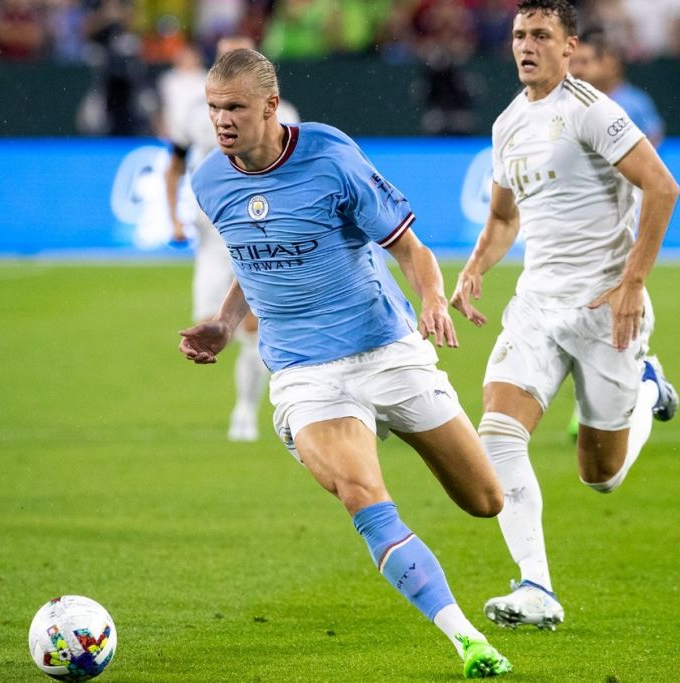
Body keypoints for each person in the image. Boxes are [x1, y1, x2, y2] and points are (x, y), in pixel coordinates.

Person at [177, 48, 513, 678]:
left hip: (387, 348)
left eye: (235, 109)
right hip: (306, 374)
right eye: (214, 108)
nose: (221, 122)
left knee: (486, 500)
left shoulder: (331, 157)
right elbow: (253, 261)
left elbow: (409, 248)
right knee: (362, 492)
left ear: (271, 107)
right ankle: (467, 639)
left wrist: (434, 297)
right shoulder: (209, 181)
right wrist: (223, 326)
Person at [450, 0, 680, 631]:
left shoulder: (593, 112)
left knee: (598, 476)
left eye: (541, 35)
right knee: (496, 434)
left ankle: (647, 385)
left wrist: (633, 282)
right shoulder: (506, 124)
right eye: (520, 35)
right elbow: (502, 218)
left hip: (604, 309)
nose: (526, 45)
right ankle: (536, 587)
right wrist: (474, 270)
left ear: (569, 46)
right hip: (535, 306)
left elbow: (662, 187)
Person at [161, 35, 299, 442]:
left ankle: (247, 410)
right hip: (211, 238)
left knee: (252, 326)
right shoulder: (193, 113)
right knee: (210, 321)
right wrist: (173, 218)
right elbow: (173, 164)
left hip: (258, 230)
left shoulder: (283, 111)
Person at [569, 26, 665, 147]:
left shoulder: (635, 102)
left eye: (585, 62)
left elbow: (654, 136)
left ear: (610, 64)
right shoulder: (573, 100)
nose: (578, 70)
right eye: (573, 63)